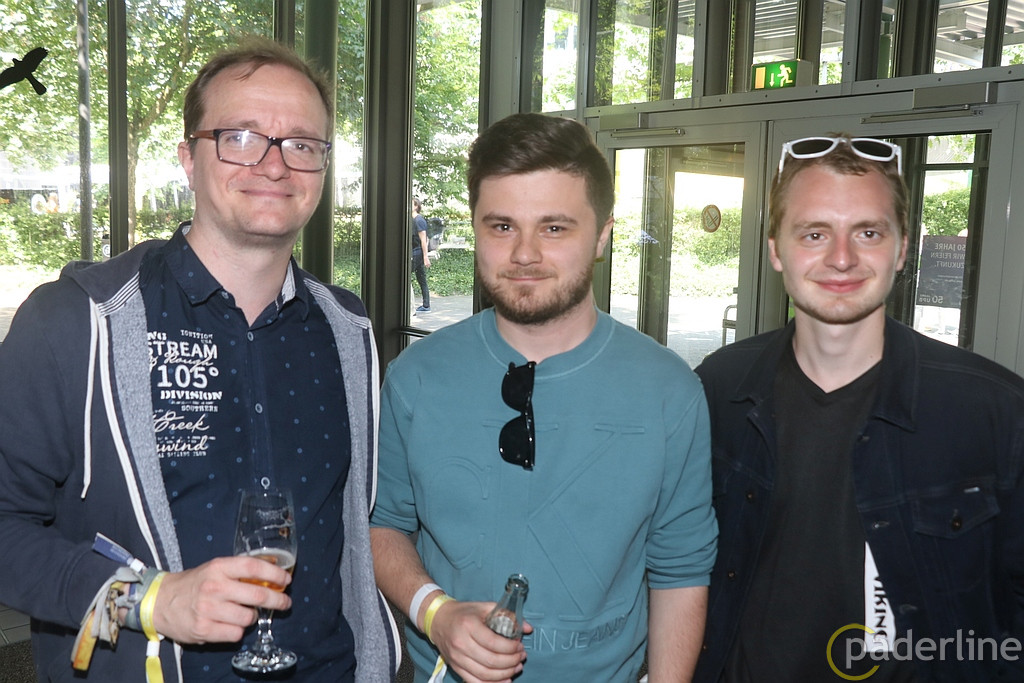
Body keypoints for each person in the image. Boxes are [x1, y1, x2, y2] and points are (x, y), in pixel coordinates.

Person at [0, 38, 398, 682]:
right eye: (240, 137)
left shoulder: (348, 331)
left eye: (302, 144)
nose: (274, 164)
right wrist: (147, 601)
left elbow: (360, 531)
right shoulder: (74, 321)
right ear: (188, 158)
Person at [370, 112, 717, 682]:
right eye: (502, 226)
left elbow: (680, 567)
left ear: (602, 235)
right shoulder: (415, 376)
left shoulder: (669, 391)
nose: (524, 253)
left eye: (554, 228)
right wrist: (436, 613)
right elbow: (382, 525)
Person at [692, 135, 1024, 683]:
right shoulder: (718, 389)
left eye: (868, 233)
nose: (842, 258)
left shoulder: (994, 413)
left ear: (902, 249)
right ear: (775, 249)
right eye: (814, 233)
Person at [411, 196, 431, 313]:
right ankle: (426, 305)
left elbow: (424, 239)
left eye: (411, 204)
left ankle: (410, 307)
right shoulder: (412, 219)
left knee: (405, 276)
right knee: (421, 278)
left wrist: (425, 256)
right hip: (416, 251)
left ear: (416, 207)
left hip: (417, 252)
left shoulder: (419, 220)